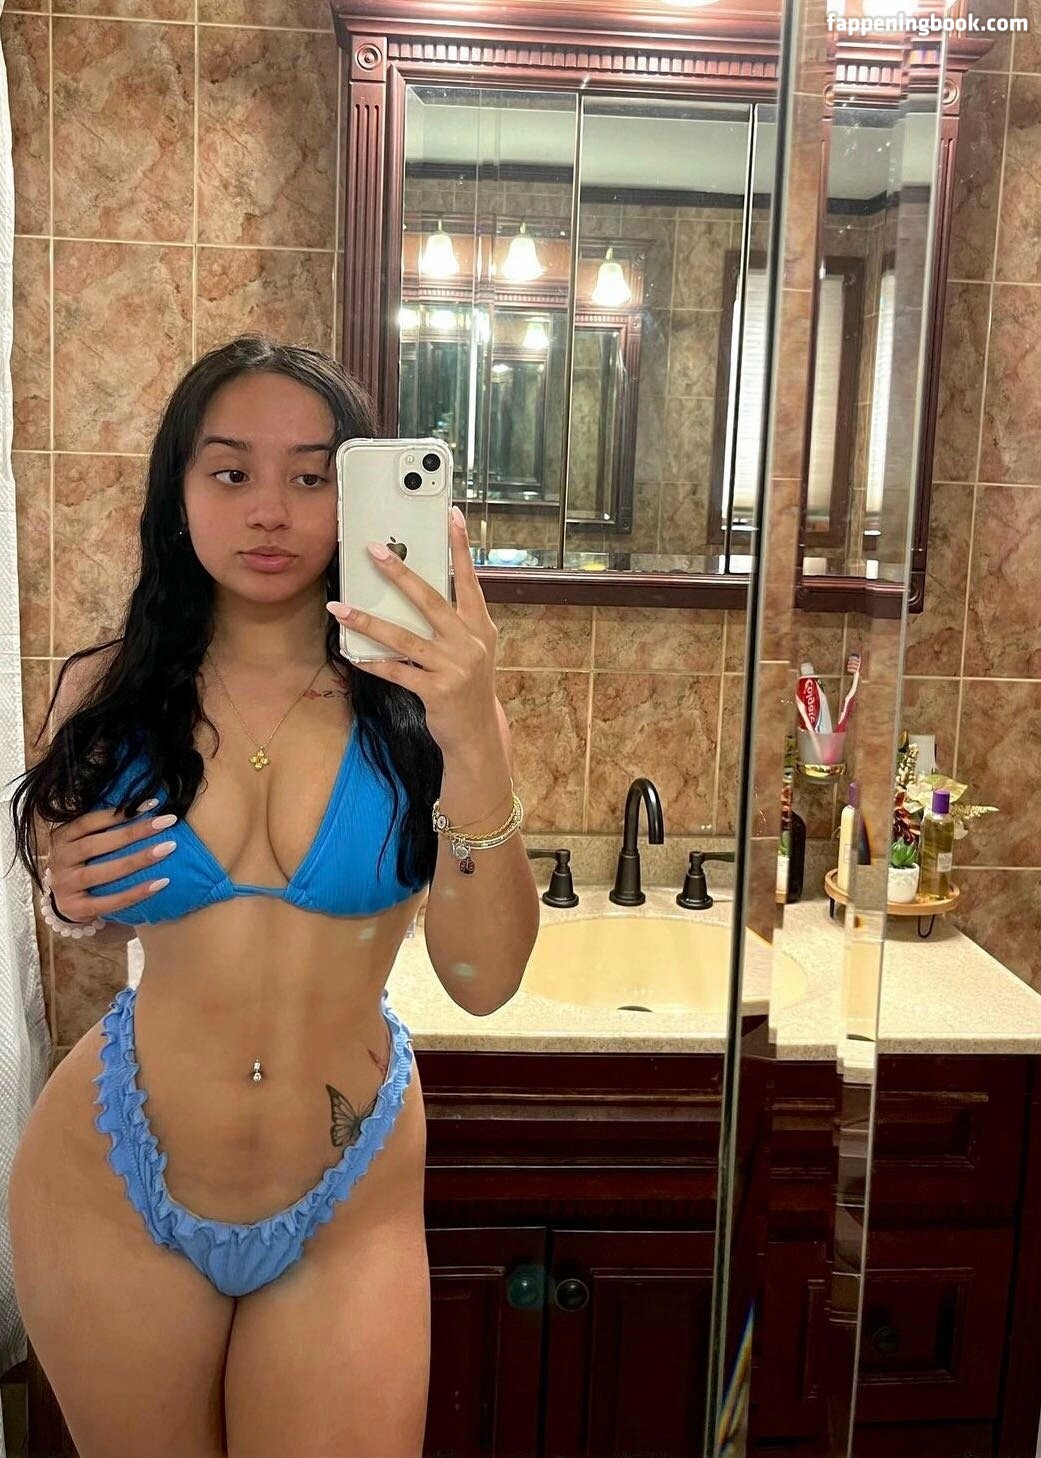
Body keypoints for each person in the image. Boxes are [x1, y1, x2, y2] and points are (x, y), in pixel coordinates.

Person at [4, 334, 540, 1458]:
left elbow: (484, 980)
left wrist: (473, 729)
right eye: (230, 471)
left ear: (358, 495)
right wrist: (65, 892)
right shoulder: (115, 693)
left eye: (311, 476)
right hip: (111, 1178)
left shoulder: (427, 707)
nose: (270, 510)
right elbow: (77, 906)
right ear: (180, 490)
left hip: (346, 1195)